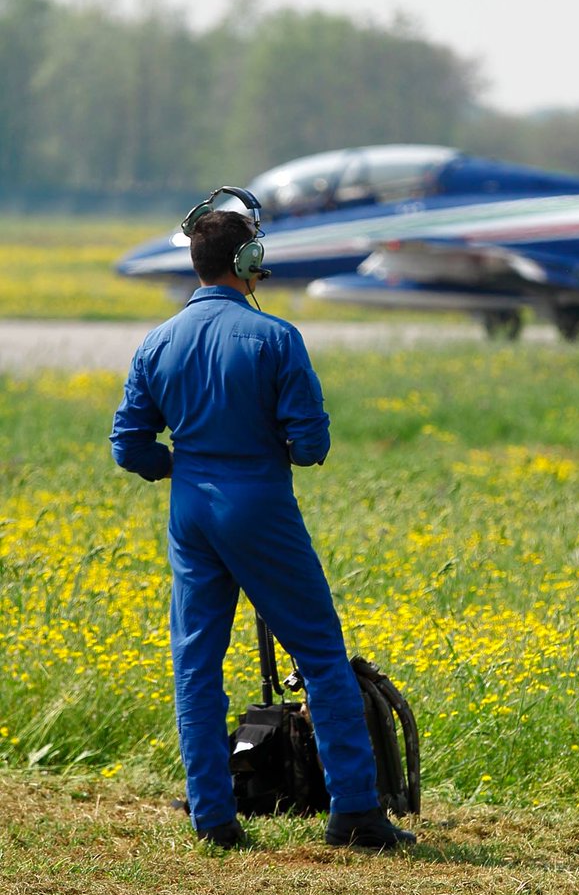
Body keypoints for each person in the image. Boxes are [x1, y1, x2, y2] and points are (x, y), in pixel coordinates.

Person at [110, 193, 415, 852]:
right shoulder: (276, 336)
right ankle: (356, 813)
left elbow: (127, 446)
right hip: (260, 505)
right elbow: (311, 445)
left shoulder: (156, 342)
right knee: (322, 657)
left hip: (191, 510)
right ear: (249, 260)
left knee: (197, 665)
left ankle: (213, 818)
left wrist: (180, 466)